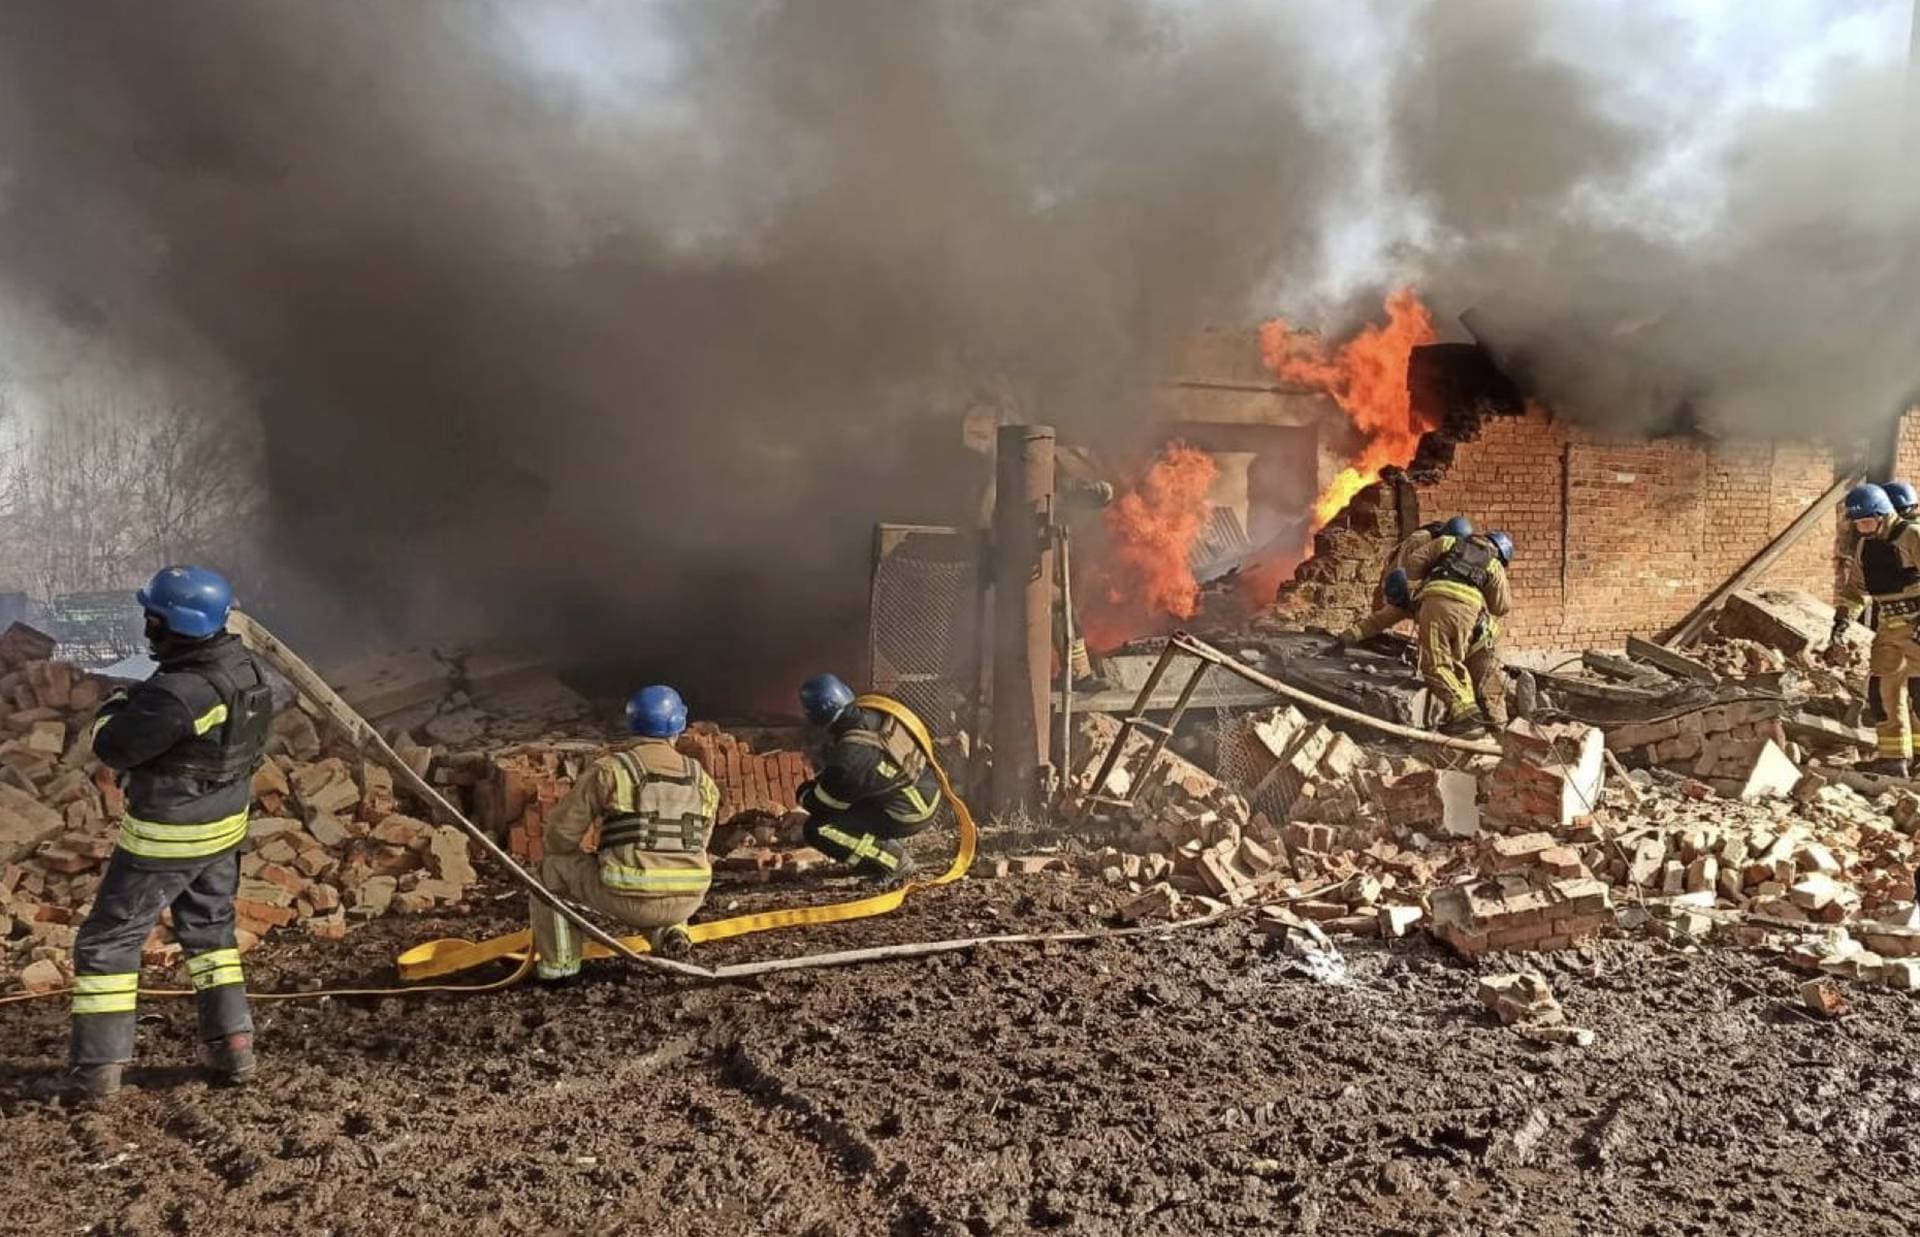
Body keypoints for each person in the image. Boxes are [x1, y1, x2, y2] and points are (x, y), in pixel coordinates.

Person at [51, 566, 273, 1101]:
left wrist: (115, 706)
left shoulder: (178, 694)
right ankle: (233, 1046)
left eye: (152, 618)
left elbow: (115, 747)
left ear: (170, 623)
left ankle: (97, 1073)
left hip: (169, 834)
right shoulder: (245, 668)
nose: (147, 628)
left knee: (108, 942)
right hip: (224, 826)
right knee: (211, 932)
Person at [527, 686, 719, 979]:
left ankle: (560, 968)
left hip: (630, 897)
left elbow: (561, 835)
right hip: (689, 900)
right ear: (679, 725)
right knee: (662, 875)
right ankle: (669, 933)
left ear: (632, 725)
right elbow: (698, 843)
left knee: (550, 871)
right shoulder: (701, 779)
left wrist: (589, 857)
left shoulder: (612, 770)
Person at [788, 674, 946, 886]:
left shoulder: (849, 758)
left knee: (818, 829)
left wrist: (804, 793)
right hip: (927, 790)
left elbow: (822, 804)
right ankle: (882, 845)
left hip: (911, 812)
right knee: (851, 803)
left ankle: (893, 861)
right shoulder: (872, 712)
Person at [1832, 483, 1920, 776]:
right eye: (1858, 523)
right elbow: (1856, 589)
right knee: (1882, 692)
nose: (1863, 527)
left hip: (1917, 624)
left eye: (1867, 521)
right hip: (1888, 629)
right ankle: (1894, 759)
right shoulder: (1864, 545)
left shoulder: (1912, 536)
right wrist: (1841, 622)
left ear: (1884, 514)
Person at [1401, 530, 1514, 735]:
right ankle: (1470, 720)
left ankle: (1467, 715)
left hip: (1437, 604)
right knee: (1455, 663)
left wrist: (1431, 575)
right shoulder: (1494, 565)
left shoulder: (1447, 543)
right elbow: (1501, 607)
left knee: (1436, 663)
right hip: (1469, 613)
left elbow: (1412, 564)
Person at [1338, 516, 1473, 645]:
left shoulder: (1463, 550)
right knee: (1390, 610)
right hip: (1405, 579)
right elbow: (1401, 569)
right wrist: (1407, 594)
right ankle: (1362, 636)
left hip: (1432, 593)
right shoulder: (1419, 541)